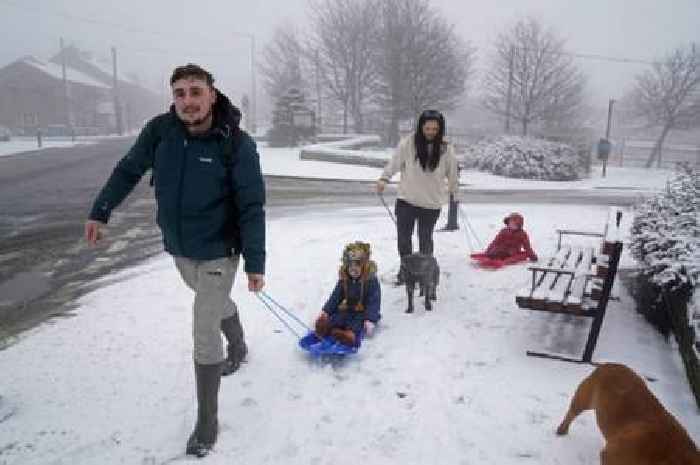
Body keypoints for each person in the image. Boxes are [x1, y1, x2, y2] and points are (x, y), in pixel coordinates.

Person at [84, 64, 265, 458]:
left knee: (204, 328)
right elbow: (129, 168)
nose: (187, 100)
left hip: (220, 248)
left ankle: (207, 421)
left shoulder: (236, 143)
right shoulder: (160, 132)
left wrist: (255, 262)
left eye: (195, 91)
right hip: (180, 248)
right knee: (209, 299)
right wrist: (101, 210)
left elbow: (252, 206)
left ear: (212, 95)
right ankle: (238, 340)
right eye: (180, 93)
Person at [376, 110, 459, 283]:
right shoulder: (408, 143)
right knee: (404, 239)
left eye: (435, 129)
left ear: (440, 129)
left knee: (425, 240)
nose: (430, 132)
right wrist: (384, 178)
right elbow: (394, 162)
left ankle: (425, 273)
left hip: (431, 204)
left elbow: (452, 172)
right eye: (427, 128)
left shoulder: (446, 148)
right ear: (421, 127)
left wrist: (454, 191)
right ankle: (406, 272)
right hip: (407, 200)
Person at [314, 241, 381, 347]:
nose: (353, 269)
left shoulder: (370, 280)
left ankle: (349, 336)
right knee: (337, 317)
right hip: (347, 308)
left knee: (356, 323)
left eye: (357, 266)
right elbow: (335, 297)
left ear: (364, 266)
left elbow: (374, 301)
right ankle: (326, 329)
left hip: (363, 311)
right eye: (350, 266)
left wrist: (370, 319)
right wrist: (326, 311)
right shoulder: (344, 279)